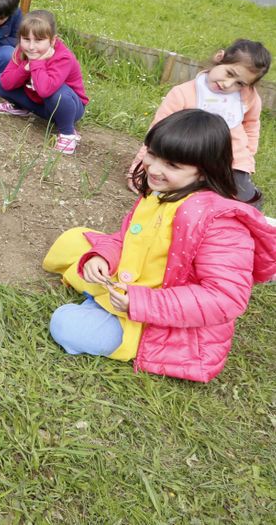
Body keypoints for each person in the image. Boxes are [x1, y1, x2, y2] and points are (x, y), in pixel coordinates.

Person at [44, 109, 276, 383]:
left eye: (172, 165)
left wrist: (141, 303)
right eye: (152, 154)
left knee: (66, 324)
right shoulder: (160, 193)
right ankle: (97, 296)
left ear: (205, 170)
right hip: (130, 282)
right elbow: (128, 239)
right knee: (74, 240)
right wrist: (104, 258)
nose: (154, 169)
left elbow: (225, 298)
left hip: (159, 319)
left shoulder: (221, 224)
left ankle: (111, 321)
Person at [127, 39, 270, 209]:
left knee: (245, 204)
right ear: (219, 57)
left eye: (240, 83)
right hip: (188, 159)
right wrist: (139, 169)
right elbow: (157, 133)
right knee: (178, 198)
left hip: (231, 162)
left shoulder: (247, 98)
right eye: (229, 73)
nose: (228, 84)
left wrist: (248, 156)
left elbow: (252, 127)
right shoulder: (183, 93)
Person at [0, 10, 88, 155]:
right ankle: (21, 107)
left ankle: (68, 133)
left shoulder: (63, 57)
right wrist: (25, 68)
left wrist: (37, 63)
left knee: (56, 94)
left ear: (52, 41)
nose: (31, 47)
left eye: (38, 40)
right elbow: (6, 83)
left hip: (68, 107)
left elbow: (45, 90)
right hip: (38, 103)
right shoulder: (21, 51)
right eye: (26, 39)